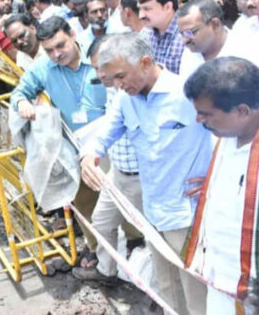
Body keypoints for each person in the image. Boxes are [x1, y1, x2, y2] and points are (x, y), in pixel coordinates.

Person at [80, 33, 210, 315]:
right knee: (166, 288)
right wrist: (89, 155)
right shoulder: (127, 98)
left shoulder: (187, 93)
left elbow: (226, 137)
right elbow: (104, 132)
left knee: (197, 294)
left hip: (187, 217)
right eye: (111, 79)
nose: (117, 85)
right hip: (152, 214)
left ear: (146, 62)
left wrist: (214, 178)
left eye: (121, 76)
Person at [182, 57, 259, 315]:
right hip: (223, 280)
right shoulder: (230, 133)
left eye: (205, 114)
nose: (198, 120)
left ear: (242, 111)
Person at [11, 16, 106, 266]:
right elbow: (19, 93)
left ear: (72, 35)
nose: (56, 54)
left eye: (60, 45)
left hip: (109, 142)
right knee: (85, 203)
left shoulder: (97, 56)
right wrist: (22, 103)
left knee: (120, 199)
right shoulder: (43, 68)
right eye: (49, 50)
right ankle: (96, 249)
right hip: (74, 147)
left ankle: (133, 244)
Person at [72, 37, 145, 282]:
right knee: (102, 222)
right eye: (96, 67)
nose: (101, 74)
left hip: (143, 177)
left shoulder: (135, 88)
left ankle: (157, 290)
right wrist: (89, 153)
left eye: (106, 68)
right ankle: (107, 271)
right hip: (117, 172)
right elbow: (109, 127)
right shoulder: (113, 89)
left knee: (155, 237)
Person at [177, 0, 241, 76]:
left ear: (215, 25)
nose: (185, 40)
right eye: (182, 34)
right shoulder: (189, 53)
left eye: (190, 32)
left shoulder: (243, 51)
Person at [139, 0, 186, 74]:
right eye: (140, 9)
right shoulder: (145, 34)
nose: (141, 15)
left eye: (147, 9)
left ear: (168, 7)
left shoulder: (187, 35)